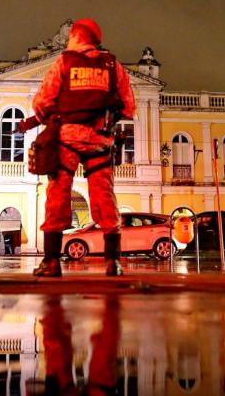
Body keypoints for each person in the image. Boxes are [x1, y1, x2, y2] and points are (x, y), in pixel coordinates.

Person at [29, 18, 136, 277]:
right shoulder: (112, 64)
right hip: (100, 141)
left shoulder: (64, 62)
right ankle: (114, 262)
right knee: (104, 197)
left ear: (76, 37)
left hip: (67, 139)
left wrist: (46, 118)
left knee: (57, 196)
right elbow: (129, 105)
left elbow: (42, 103)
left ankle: (51, 261)